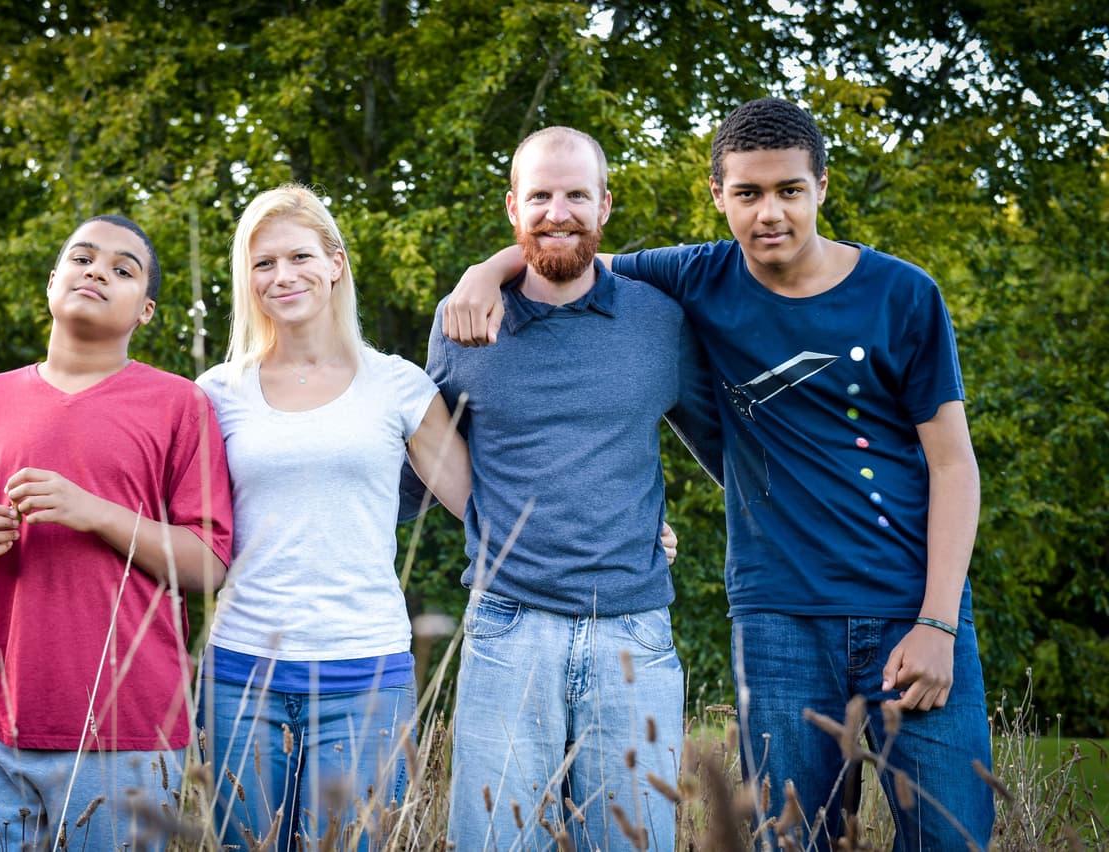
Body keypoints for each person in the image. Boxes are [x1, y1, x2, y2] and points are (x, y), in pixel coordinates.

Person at [444, 98, 994, 849]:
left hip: (911, 608)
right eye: (748, 194)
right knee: (791, 838)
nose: (770, 213)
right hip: (778, 617)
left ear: (822, 187)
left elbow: (954, 464)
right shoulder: (697, 277)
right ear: (718, 197)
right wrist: (486, 270)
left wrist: (938, 620)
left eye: (789, 190)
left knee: (954, 834)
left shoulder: (902, 295)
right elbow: (570, 256)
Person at [426, 126, 720, 850]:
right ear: (513, 208)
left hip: (633, 631)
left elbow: (727, 446)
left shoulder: (660, 319)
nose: (558, 211)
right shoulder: (464, 321)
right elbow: (428, 452)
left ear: (605, 205)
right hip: (506, 626)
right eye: (541, 196)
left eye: (576, 195)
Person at [0, 215, 234, 851]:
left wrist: (93, 512)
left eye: (123, 269)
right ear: (51, 283)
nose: (98, 271)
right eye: (82, 258)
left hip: (130, 732)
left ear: (145, 311)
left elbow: (207, 565)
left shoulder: (180, 405)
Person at [193, 184, 472, 851]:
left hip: (365, 676)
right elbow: (187, 530)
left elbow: (482, 505)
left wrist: (624, 536)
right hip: (240, 676)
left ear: (335, 263)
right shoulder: (216, 393)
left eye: (299, 257)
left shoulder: (399, 384)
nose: (282, 276)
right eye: (263, 264)